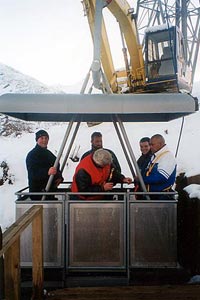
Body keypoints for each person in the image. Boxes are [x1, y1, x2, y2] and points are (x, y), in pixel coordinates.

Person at [26, 130, 63, 200]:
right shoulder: (32, 155)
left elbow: (56, 166)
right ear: (37, 140)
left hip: (49, 191)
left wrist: (59, 177)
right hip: (38, 194)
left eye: (46, 138)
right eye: (42, 138)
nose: (44, 140)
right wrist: (47, 172)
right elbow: (33, 173)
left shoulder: (49, 154)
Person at [142, 134, 176, 200]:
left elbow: (161, 177)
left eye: (152, 144)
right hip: (153, 195)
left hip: (162, 197)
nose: (150, 147)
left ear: (160, 144)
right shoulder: (155, 155)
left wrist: (143, 180)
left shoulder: (167, 157)